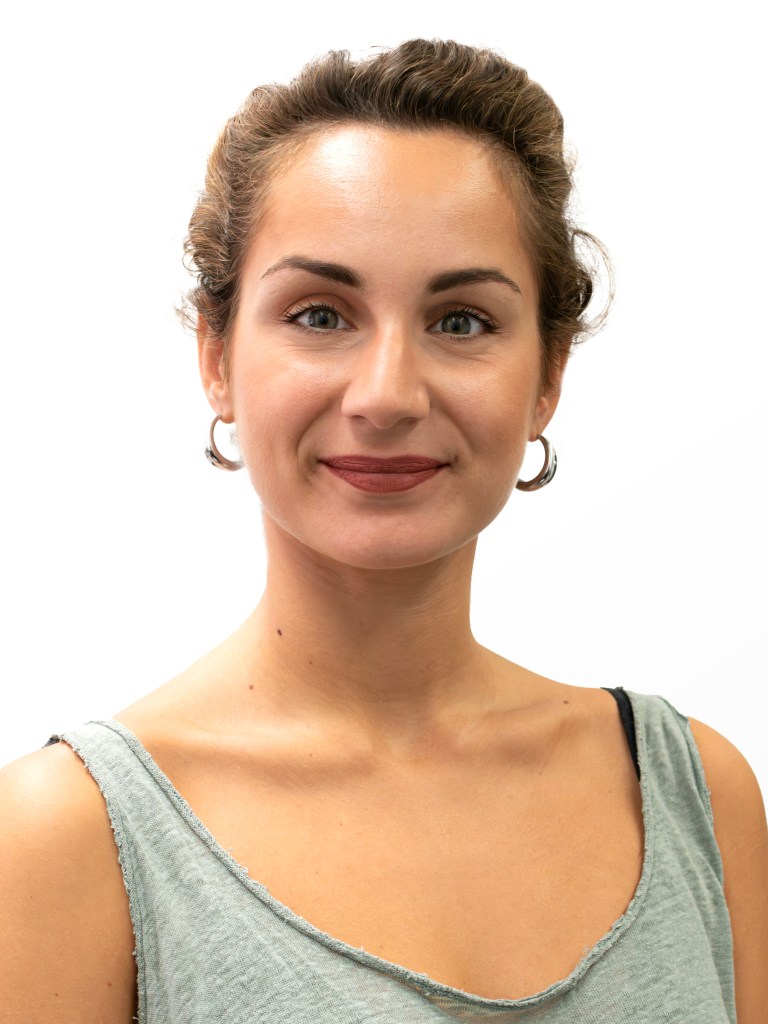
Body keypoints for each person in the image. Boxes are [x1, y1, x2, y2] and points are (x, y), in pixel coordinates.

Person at [0, 39, 765, 1024]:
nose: (387, 394)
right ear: (217, 358)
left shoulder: (698, 795)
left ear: (548, 375)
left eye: (461, 322)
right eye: (320, 315)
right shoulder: (65, 839)